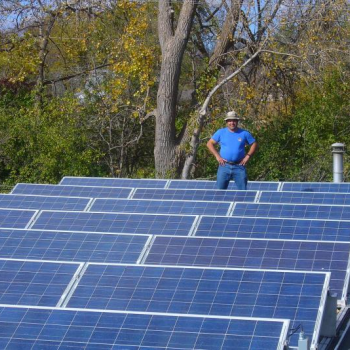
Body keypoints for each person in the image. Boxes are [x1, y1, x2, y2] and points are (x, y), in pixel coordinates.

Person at [206, 110, 258, 190]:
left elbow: (254, 144)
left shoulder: (244, 133)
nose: (232, 123)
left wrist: (247, 156)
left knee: (243, 193)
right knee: (220, 192)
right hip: (224, 166)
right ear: (226, 122)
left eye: (234, 120)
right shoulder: (220, 132)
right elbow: (209, 144)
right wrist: (217, 156)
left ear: (237, 121)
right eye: (229, 121)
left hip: (239, 166)